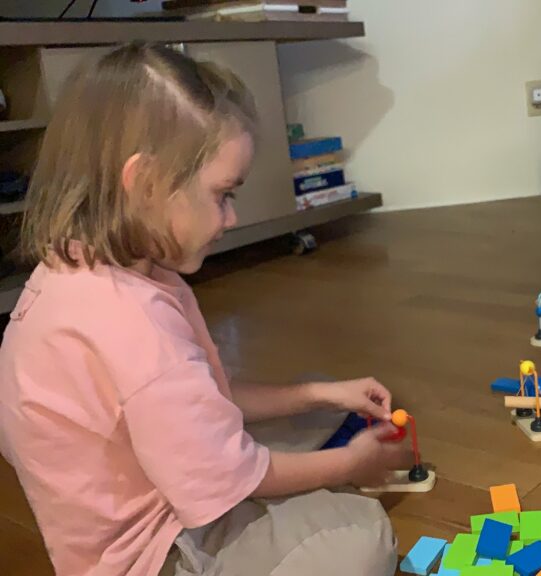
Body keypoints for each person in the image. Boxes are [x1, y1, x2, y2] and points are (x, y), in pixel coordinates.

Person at [0, 43, 411, 576]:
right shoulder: (133, 325)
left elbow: (200, 395)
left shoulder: (78, 271)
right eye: (222, 195)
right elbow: (226, 466)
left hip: (154, 479)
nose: (232, 217)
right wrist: (351, 464)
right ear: (145, 184)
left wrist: (318, 393)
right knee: (365, 535)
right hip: (157, 554)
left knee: (318, 401)